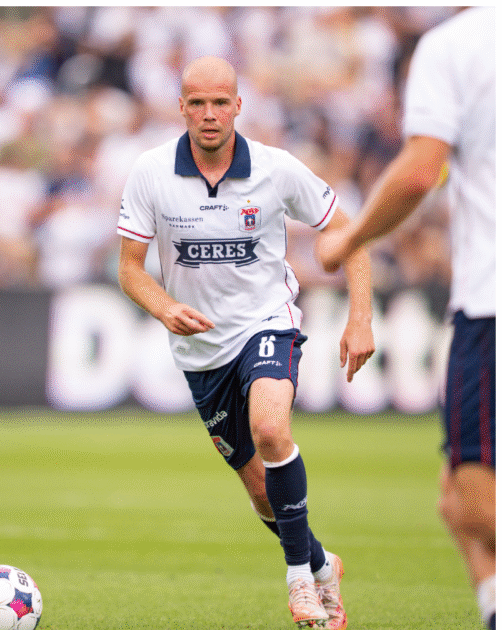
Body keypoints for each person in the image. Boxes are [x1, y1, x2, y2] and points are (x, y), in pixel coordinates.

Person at [116, 56, 374, 630]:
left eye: (220, 102)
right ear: (181, 107)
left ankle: (299, 584)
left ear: (238, 106)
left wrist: (361, 318)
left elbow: (348, 233)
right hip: (201, 352)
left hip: (266, 322)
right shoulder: (150, 172)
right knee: (262, 494)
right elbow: (130, 269)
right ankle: (320, 564)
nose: (209, 114)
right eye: (198, 103)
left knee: (271, 428)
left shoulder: (276, 170)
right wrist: (164, 307)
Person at [316, 7, 495, 629]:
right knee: (455, 500)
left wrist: (349, 240)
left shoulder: (455, 46)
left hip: (492, 302)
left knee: (473, 501)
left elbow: (422, 169)